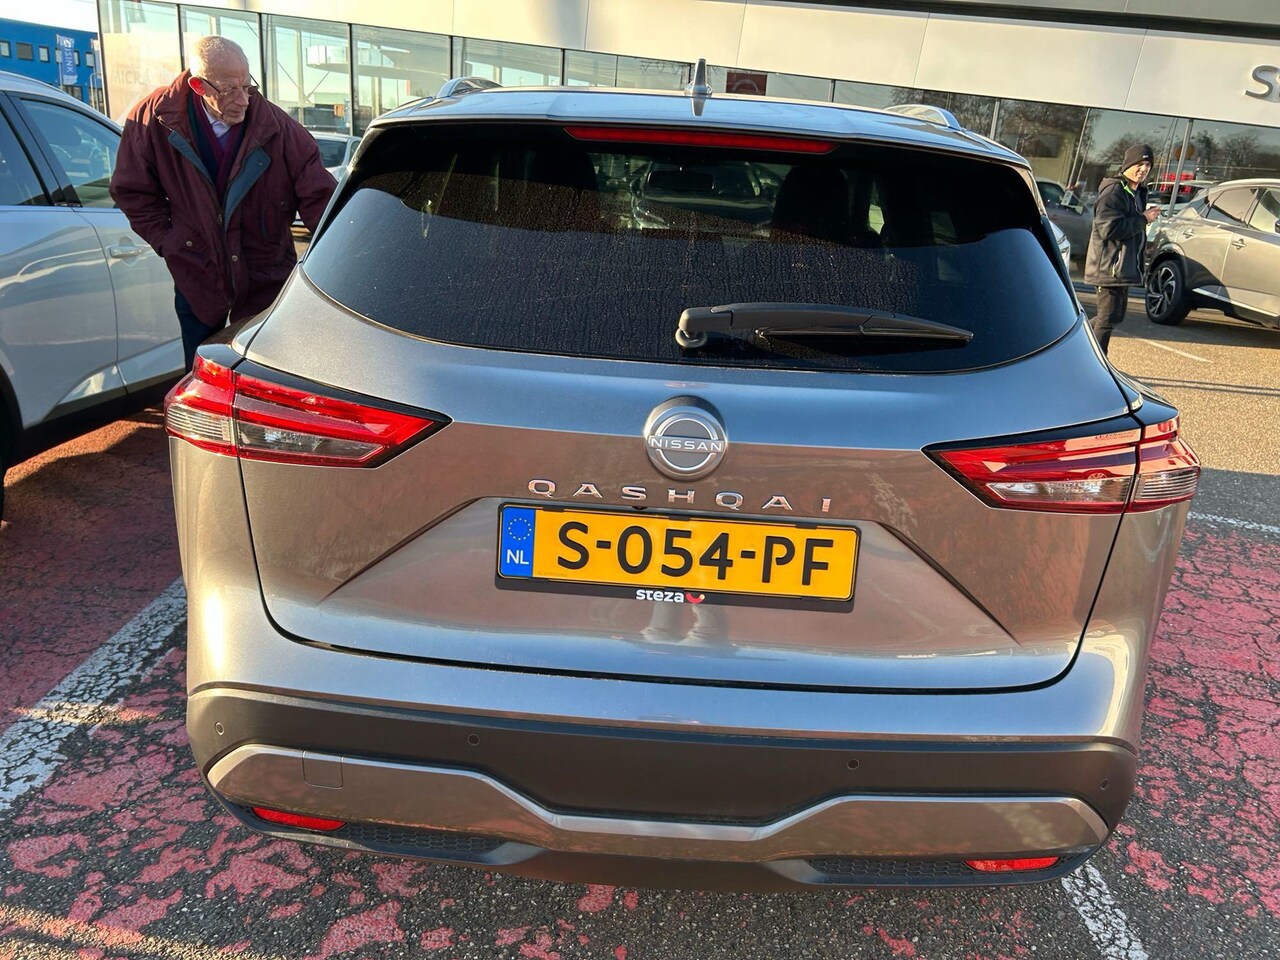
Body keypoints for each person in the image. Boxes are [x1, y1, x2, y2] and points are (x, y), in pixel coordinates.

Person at [110, 36, 336, 369]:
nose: (243, 100)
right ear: (199, 86)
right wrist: (171, 241)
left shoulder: (280, 129)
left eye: (247, 86)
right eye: (230, 90)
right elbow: (132, 191)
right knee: (203, 372)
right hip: (196, 270)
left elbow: (322, 201)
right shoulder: (153, 119)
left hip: (266, 275)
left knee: (263, 374)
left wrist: (340, 260)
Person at [1083, 144, 1160, 354]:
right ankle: (1096, 362)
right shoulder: (1114, 191)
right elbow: (1109, 229)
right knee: (1107, 318)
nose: (1143, 169)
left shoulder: (1137, 192)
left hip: (1121, 268)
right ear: (1127, 165)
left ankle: (1078, 344)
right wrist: (1143, 219)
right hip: (1108, 267)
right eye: (1139, 164)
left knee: (1114, 316)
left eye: (1148, 165)